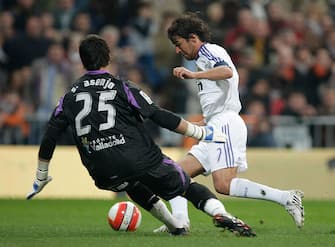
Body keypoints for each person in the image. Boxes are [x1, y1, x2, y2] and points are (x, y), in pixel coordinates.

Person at [26, 34, 256, 237]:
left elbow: (50, 135)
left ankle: (175, 226)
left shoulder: (68, 96)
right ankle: (222, 214)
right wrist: (201, 132)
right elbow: (156, 114)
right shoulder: (121, 86)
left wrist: (41, 175)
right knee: (184, 185)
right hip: (139, 157)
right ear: (108, 58)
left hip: (100, 170)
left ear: (82, 61)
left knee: (133, 185)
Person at [154, 14, 304, 233]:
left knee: (224, 184)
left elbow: (227, 71)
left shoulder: (209, 52)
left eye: (179, 44)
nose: (178, 50)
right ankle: (180, 222)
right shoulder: (202, 59)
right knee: (175, 175)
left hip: (225, 124)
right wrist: (206, 118)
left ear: (193, 38)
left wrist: (194, 75)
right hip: (215, 125)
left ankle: (286, 197)